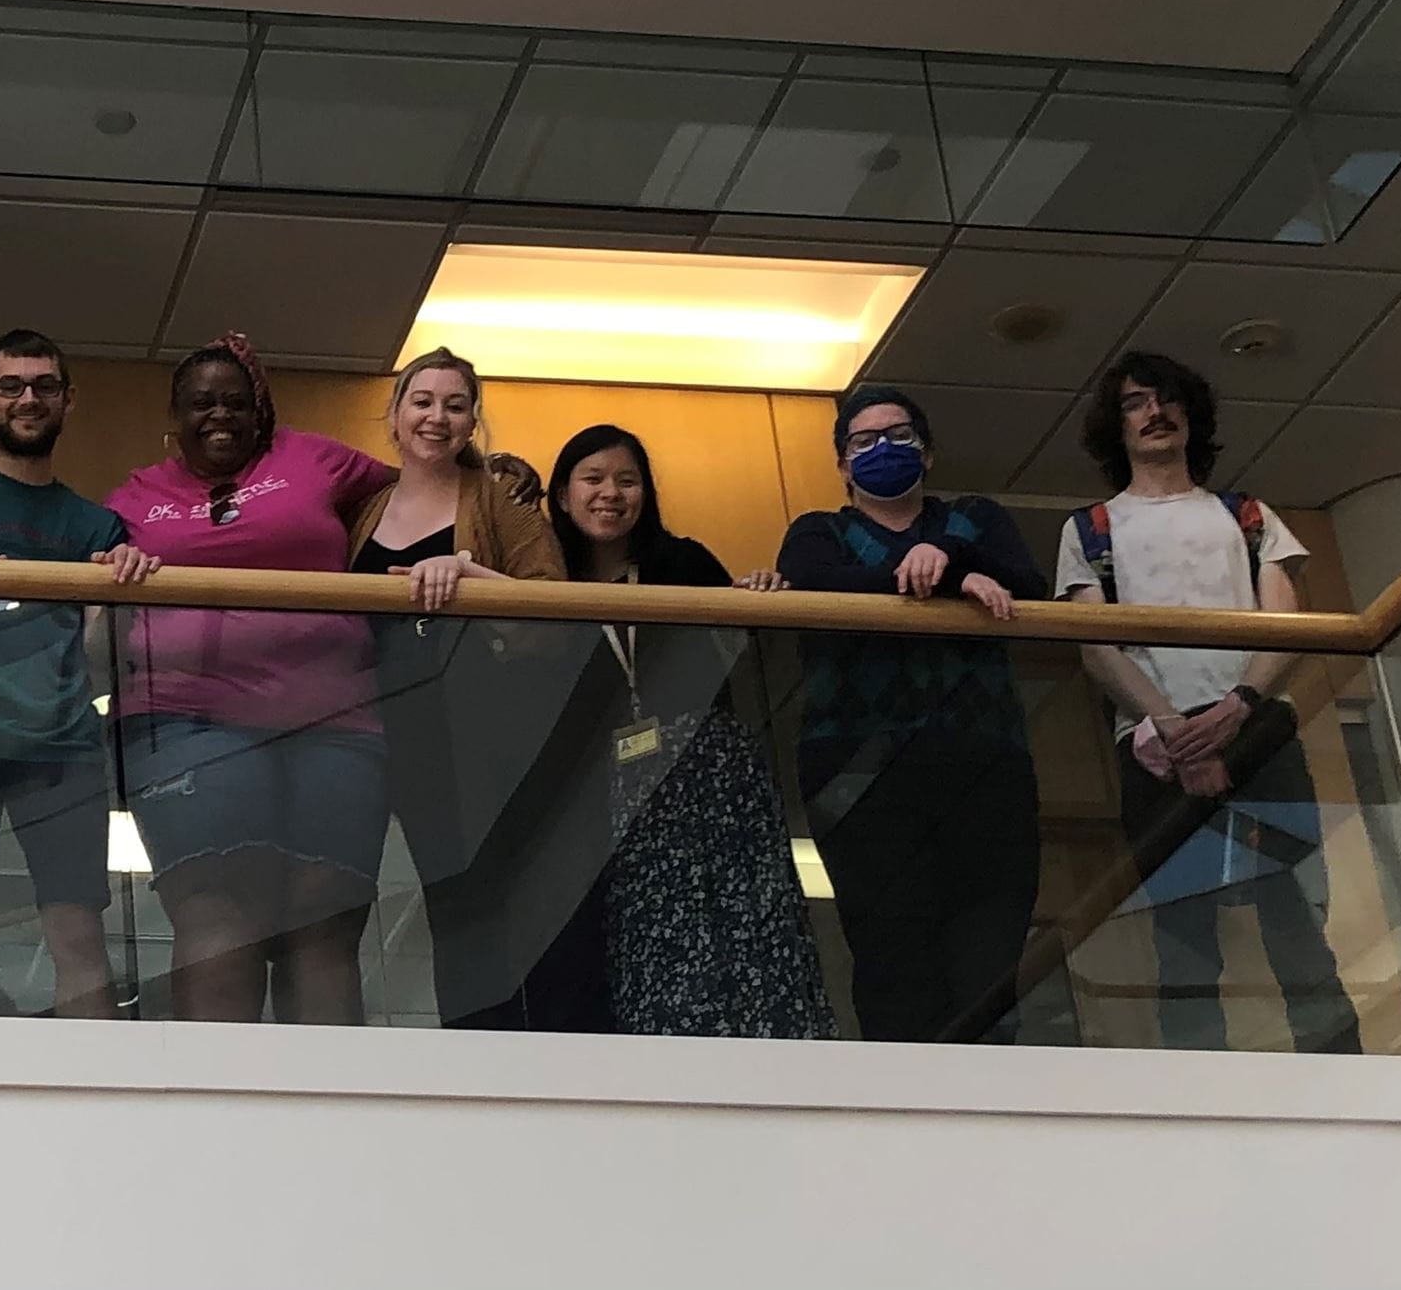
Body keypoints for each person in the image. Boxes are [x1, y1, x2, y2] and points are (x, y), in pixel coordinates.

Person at [1056, 352, 1360, 1053]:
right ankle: (1200, 1084)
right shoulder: (1092, 527)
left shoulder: (1248, 515)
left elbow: (1286, 622)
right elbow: (1093, 643)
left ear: (1191, 416)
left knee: (1294, 910)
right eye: (1135, 402)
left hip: (1258, 730)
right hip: (1154, 747)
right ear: (1117, 424)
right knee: (1181, 927)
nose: (1154, 412)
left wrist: (1238, 707)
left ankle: (1342, 1069)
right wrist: (1172, 726)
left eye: (1167, 400)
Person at [106, 333, 395, 1025]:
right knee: (218, 913)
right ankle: (215, 1126)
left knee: (322, 923)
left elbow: (415, 491)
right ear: (173, 421)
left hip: (337, 721)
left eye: (236, 402)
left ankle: (326, 1123)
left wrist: (488, 476)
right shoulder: (135, 494)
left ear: (260, 411)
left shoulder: (312, 457)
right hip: (184, 718)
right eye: (201, 403)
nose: (220, 415)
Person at [0, 330, 159, 1019]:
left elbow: (107, 660)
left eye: (44, 385)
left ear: (68, 400)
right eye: (11, 385)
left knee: (76, 929)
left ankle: (97, 1107)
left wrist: (118, 590)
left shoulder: (98, 525)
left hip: (64, 741)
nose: (28, 398)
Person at [547, 425, 832, 1038]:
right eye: (592, 479)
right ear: (563, 496)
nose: (611, 493)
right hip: (604, 794)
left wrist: (759, 593)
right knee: (641, 947)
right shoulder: (543, 586)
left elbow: (745, 643)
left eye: (627, 480)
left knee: (745, 934)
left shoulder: (684, 561)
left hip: (706, 777)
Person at [776, 387, 1041, 1043]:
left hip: (984, 766)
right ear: (842, 465)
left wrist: (958, 557)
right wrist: (946, 579)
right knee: (891, 955)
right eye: (863, 442)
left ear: (928, 453)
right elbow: (814, 588)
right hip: (859, 773)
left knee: (988, 958)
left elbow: (1030, 587)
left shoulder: (975, 519)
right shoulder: (821, 532)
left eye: (899, 435)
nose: (883, 449)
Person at [341, 347, 583, 1030]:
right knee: (435, 896)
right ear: (392, 417)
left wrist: (469, 574)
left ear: (473, 420)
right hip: (380, 726)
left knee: (483, 891)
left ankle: (507, 1047)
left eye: (454, 404)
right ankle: (465, 1049)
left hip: (475, 724)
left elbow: (556, 613)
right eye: (422, 402)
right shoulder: (368, 507)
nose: (437, 417)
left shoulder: (496, 503)